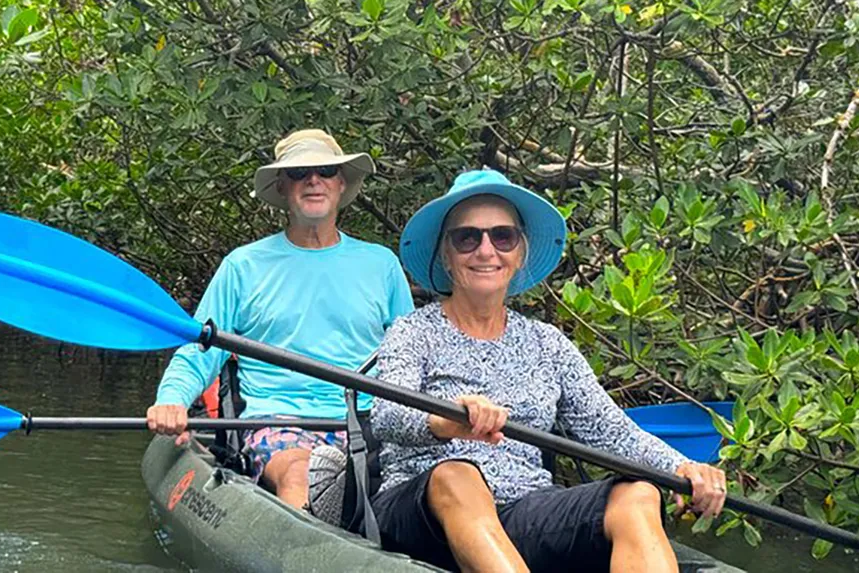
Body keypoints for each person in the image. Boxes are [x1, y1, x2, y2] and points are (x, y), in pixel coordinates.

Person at [316, 168, 727, 572]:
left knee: (638, 494)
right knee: (458, 476)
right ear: (446, 254)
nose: (485, 250)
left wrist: (680, 468)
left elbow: (609, 429)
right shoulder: (413, 331)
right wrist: (447, 418)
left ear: (519, 252)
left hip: (523, 509)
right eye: (466, 238)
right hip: (423, 511)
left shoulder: (547, 343)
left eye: (502, 236)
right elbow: (388, 415)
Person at [146, 129, 414, 510]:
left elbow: (411, 357)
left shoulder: (382, 264)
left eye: (324, 170)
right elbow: (200, 350)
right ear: (283, 187)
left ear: (340, 184)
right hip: (279, 420)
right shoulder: (243, 265)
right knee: (303, 472)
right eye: (300, 173)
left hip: (368, 423)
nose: (313, 180)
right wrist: (171, 400)